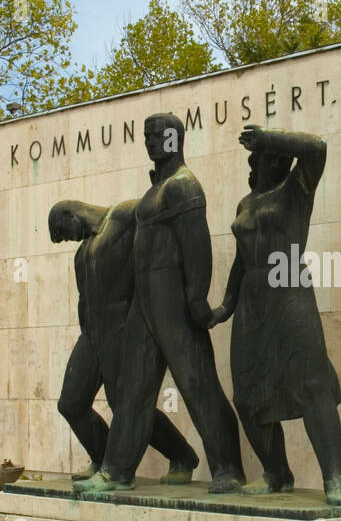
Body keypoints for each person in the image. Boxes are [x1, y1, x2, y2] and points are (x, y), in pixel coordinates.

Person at [207, 125, 341, 506]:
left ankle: (335, 478)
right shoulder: (245, 204)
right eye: (264, 156)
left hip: (289, 287)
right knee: (247, 395)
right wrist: (226, 304)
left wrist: (270, 137)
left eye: (276, 156)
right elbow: (241, 260)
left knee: (312, 385)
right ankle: (276, 473)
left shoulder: (296, 190)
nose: (268, 162)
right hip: (252, 300)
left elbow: (318, 145)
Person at [98, 114, 246, 493]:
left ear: (174, 138)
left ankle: (228, 469)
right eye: (145, 135)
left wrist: (196, 297)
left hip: (173, 298)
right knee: (133, 386)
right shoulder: (156, 188)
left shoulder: (183, 186)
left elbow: (198, 246)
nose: (148, 142)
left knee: (198, 384)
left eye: (155, 136)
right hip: (145, 299)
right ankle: (116, 470)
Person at [47, 199, 198, 490]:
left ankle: (182, 456)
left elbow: (161, 214)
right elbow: (83, 299)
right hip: (92, 335)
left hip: (121, 330)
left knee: (126, 404)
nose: (69, 239)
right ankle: (102, 456)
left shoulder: (125, 216)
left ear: (69, 213)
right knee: (71, 403)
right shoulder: (82, 254)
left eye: (64, 232)